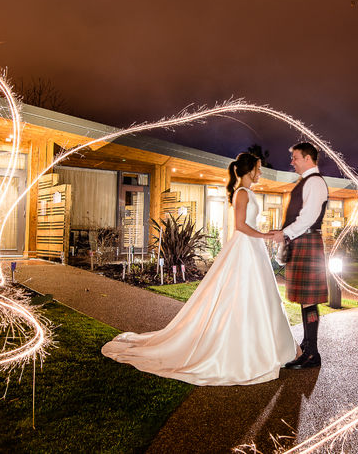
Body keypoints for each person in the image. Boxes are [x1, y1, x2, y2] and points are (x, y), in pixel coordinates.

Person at [101, 153, 298, 385]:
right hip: (245, 249)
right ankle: (247, 351)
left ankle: (270, 348)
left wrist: (265, 235)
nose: (261, 172)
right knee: (242, 296)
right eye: (258, 168)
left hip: (253, 250)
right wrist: (266, 235)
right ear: (249, 170)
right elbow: (241, 226)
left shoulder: (249, 193)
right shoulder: (242, 193)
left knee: (260, 297)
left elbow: (249, 225)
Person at [272, 142, 329, 370]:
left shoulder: (315, 182)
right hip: (302, 242)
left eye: (295, 157)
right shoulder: (306, 182)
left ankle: (312, 353)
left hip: (307, 241)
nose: (292, 162)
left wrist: (283, 234)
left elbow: (307, 218)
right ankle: (308, 346)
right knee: (306, 298)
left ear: (308, 158)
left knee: (309, 298)